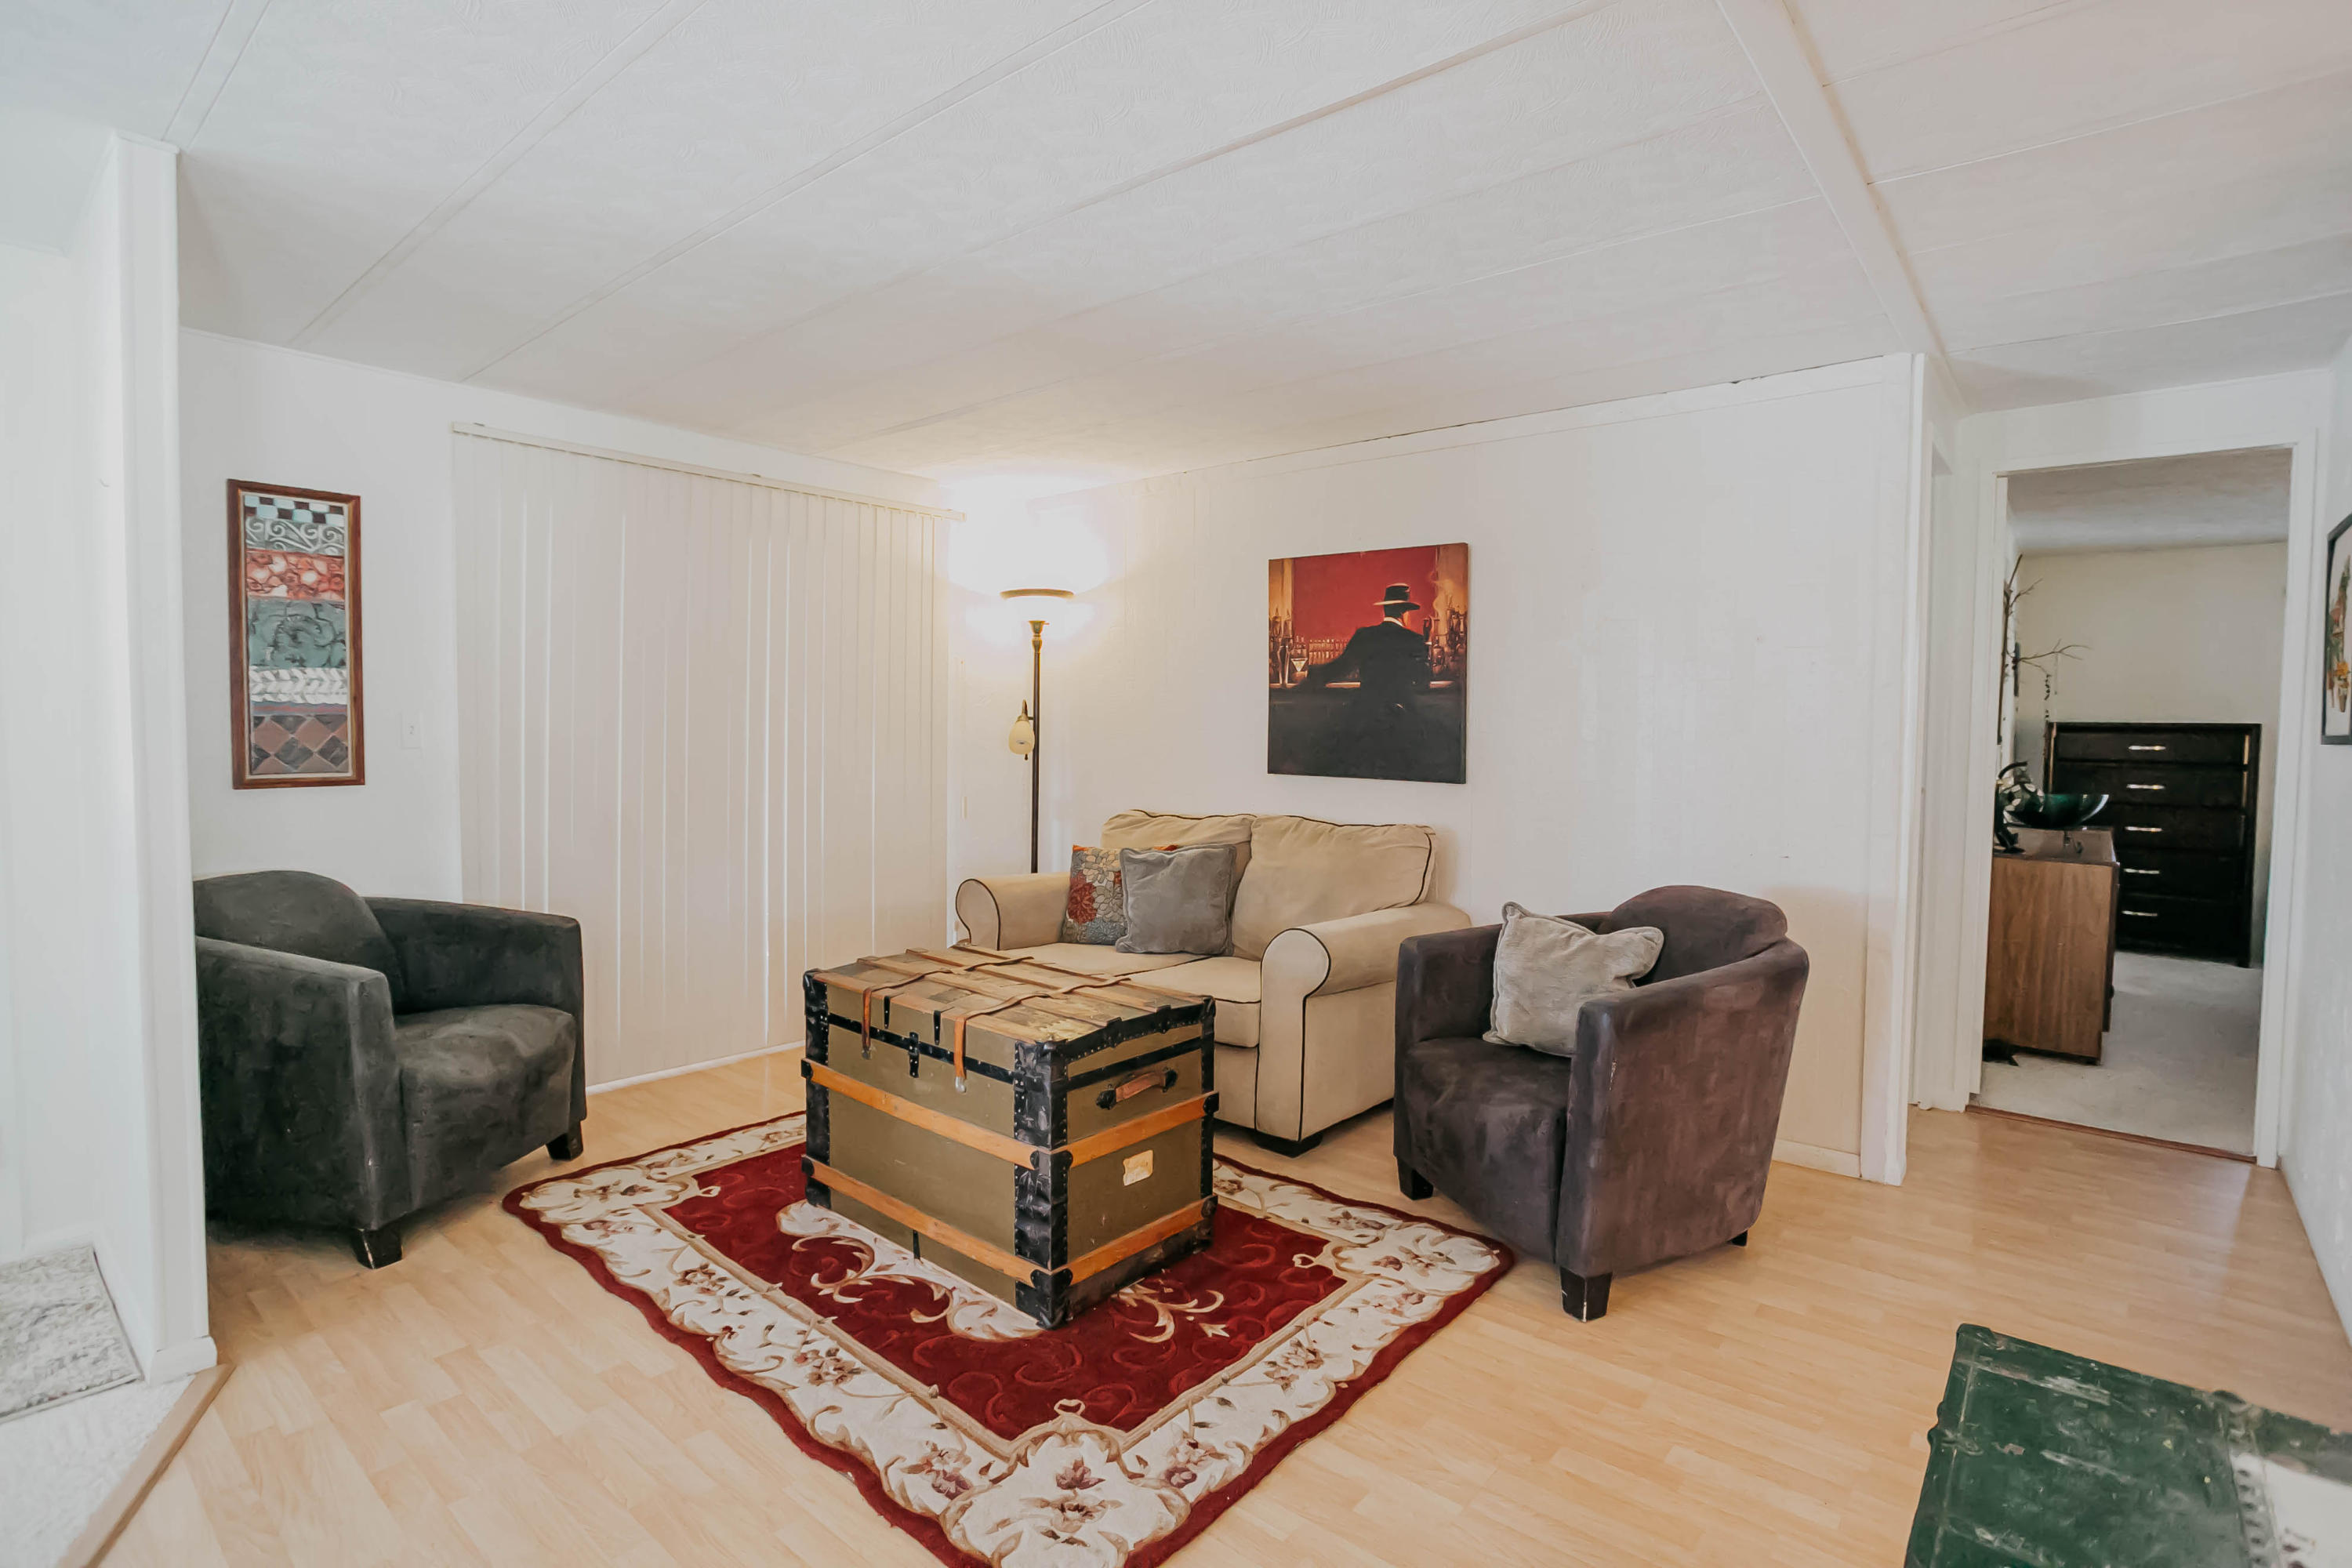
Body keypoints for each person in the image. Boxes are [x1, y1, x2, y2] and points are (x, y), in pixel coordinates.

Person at [1307, 584, 1429, 710]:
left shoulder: (1364, 635)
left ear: (1385, 610)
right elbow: (1423, 681)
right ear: (1404, 613)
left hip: (1367, 713)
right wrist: (1427, 641)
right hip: (1401, 716)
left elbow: (1339, 668)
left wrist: (1307, 680)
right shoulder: (1414, 639)